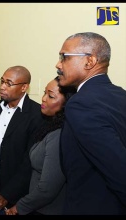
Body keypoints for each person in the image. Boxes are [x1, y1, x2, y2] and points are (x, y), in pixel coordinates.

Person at [56, 32, 126, 215]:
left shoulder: (81, 103)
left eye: (64, 57)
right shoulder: (120, 95)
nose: (58, 64)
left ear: (90, 61)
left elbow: (118, 168)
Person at [5, 76, 76, 215]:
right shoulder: (49, 126)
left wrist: (20, 207)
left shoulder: (59, 135)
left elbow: (48, 188)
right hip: (38, 207)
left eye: (50, 96)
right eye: (44, 93)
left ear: (66, 103)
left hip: (49, 210)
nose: (43, 98)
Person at [0, 65, 44, 214]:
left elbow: (30, 161)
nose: (2, 87)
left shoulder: (36, 114)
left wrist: (6, 195)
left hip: (18, 187)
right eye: (2, 81)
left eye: (9, 83)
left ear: (24, 87)